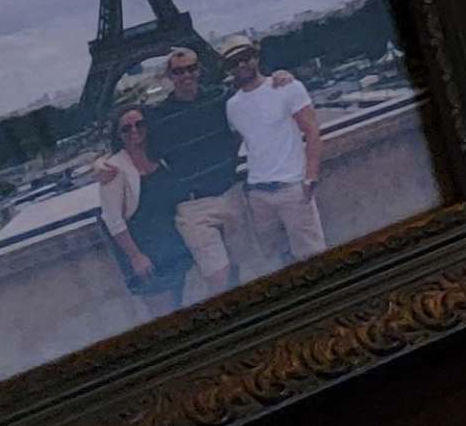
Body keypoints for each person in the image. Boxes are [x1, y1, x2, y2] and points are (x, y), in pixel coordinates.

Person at [134, 47, 245, 306]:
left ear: (199, 70)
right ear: (169, 76)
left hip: (231, 193)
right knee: (218, 277)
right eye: (178, 71)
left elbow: (252, 101)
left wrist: (281, 78)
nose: (186, 75)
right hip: (194, 206)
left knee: (241, 270)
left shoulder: (220, 98)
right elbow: (131, 144)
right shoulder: (158, 117)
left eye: (191, 68)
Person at [218, 38, 324, 273]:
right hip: (259, 195)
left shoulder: (288, 87)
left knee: (313, 259)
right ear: (228, 68)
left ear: (256, 57)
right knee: (278, 264)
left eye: (246, 57)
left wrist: (310, 178)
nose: (242, 64)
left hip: (292, 188)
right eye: (234, 62)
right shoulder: (232, 107)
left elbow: (312, 132)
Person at [91, 99, 193, 302]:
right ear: (118, 135)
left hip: (175, 245)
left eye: (139, 124)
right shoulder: (113, 169)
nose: (134, 131)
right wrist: (135, 257)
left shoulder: (160, 155)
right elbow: (113, 219)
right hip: (144, 253)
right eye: (126, 128)